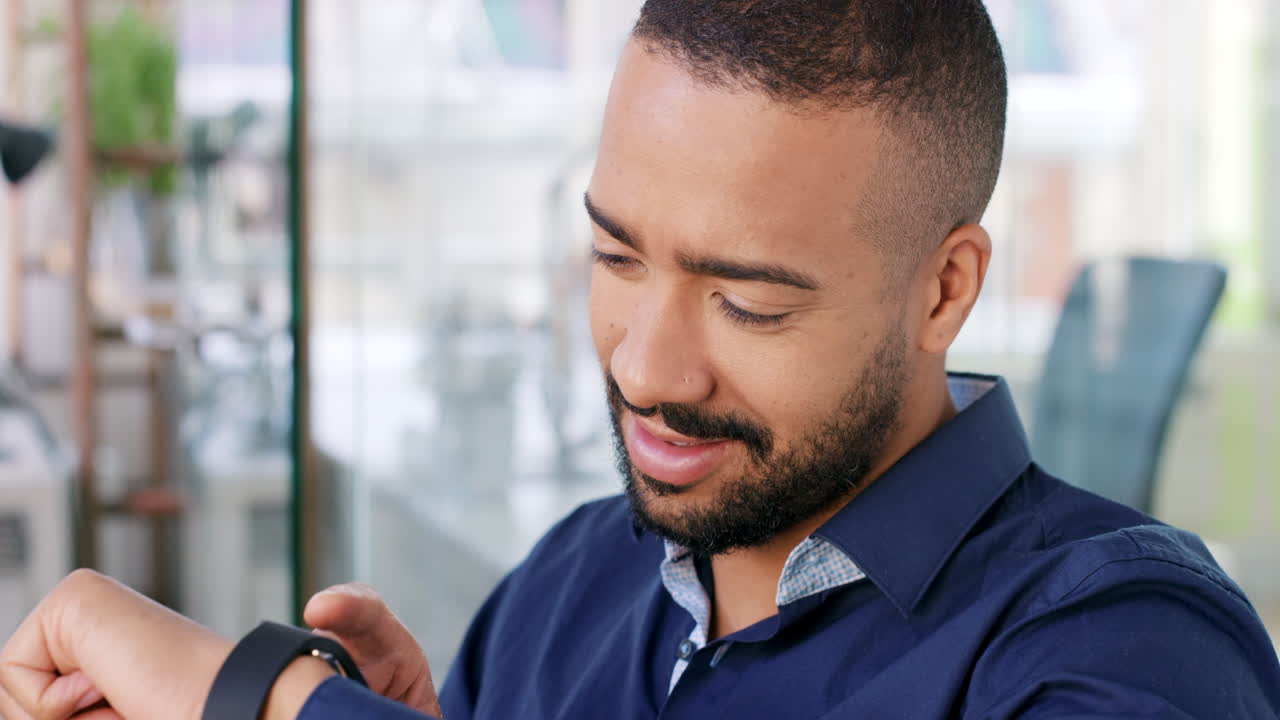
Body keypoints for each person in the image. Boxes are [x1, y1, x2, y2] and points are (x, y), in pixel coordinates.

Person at [4, 1, 1280, 718]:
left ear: (942, 289)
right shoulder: (570, 581)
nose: (648, 366)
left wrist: (264, 705)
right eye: (617, 259)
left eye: (747, 301)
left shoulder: (1127, 653)